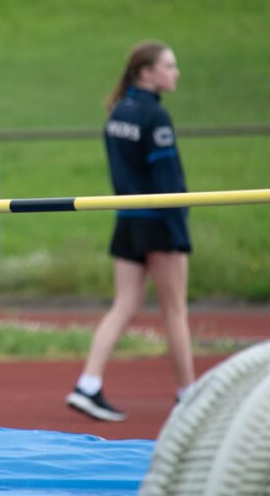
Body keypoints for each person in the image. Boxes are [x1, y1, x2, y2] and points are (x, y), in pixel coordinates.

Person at [66, 42, 194, 421]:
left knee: (123, 305)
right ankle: (189, 395)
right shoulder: (156, 117)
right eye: (169, 66)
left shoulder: (118, 112)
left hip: (127, 219)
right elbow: (167, 180)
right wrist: (179, 222)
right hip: (159, 221)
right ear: (146, 72)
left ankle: (88, 384)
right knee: (175, 310)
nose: (176, 73)